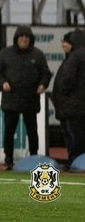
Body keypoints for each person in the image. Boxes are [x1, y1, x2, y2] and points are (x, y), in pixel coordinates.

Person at [0, 24, 52, 170]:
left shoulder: (37, 54)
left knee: (32, 131)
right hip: (11, 100)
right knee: (9, 131)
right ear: (16, 38)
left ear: (31, 39)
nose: (24, 39)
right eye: (21, 37)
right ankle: (8, 159)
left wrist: (43, 84)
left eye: (27, 37)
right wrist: (2, 82)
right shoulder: (6, 53)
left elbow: (46, 73)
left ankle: (34, 157)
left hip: (30, 100)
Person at [52, 29, 85, 169]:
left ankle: (76, 162)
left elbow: (67, 81)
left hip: (72, 107)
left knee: (74, 137)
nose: (63, 45)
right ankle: (77, 161)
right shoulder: (76, 56)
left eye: (66, 41)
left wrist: (62, 93)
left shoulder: (75, 57)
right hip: (75, 106)